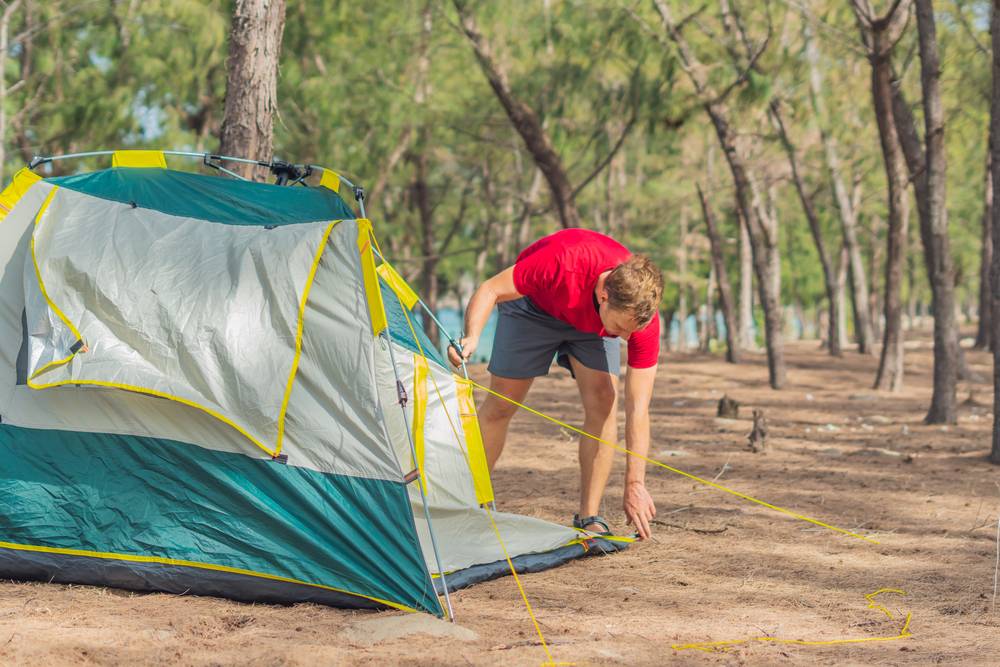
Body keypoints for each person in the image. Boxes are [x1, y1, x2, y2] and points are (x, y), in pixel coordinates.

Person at [447, 228, 663, 539]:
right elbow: (491, 289)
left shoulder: (639, 321)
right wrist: (472, 336)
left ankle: (589, 517)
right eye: (621, 329)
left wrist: (635, 484)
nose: (627, 338)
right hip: (535, 308)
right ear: (604, 295)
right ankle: (471, 505)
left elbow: (638, 409)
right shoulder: (563, 262)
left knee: (605, 400)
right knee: (503, 402)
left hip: (591, 326)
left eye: (631, 332)